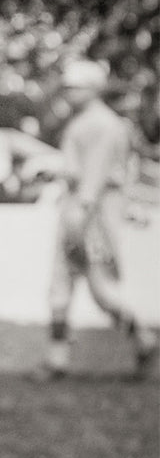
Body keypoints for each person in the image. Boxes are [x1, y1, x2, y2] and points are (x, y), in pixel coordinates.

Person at [45, 59, 158, 379]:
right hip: (80, 208)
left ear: (94, 88)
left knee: (102, 289)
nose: (69, 91)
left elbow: (94, 175)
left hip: (92, 215)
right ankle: (56, 361)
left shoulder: (105, 124)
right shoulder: (84, 121)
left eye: (75, 86)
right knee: (61, 283)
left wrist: (80, 212)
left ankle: (144, 339)